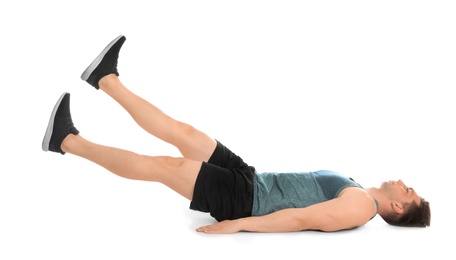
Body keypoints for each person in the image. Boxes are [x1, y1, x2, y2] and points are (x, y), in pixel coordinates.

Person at [42, 35, 431, 234]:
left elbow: (300, 219)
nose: (404, 184)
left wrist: (240, 224)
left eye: (408, 192)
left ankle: (66, 141)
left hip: (244, 201)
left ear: (398, 208)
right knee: (185, 131)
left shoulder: (362, 207)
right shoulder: (358, 188)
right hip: (251, 179)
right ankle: (105, 79)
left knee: (164, 166)